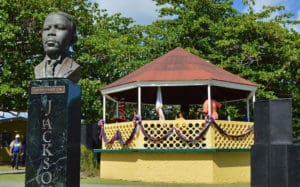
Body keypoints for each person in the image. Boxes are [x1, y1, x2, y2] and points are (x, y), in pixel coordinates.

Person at [34, 12, 80, 83]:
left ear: (73, 38)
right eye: (46, 29)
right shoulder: (38, 69)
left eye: (60, 28)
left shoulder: (74, 67)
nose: (51, 32)